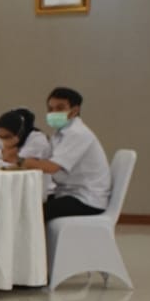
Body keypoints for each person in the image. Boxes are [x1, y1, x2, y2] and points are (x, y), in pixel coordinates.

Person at [17, 88, 112, 222]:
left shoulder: (77, 133)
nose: (54, 113)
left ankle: (35, 244)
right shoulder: (60, 133)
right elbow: (43, 161)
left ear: (75, 110)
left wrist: (19, 161)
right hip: (67, 193)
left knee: (30, 214)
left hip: (86, 199)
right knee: (25, 204)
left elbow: (52, 167)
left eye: (60, 108)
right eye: (50, 109)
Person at [0, 108, 54, 194]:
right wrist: (3, 154)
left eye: (7, 137)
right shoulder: (3, 138)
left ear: (20, 133)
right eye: (0, 136)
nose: (3, 140)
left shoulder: (37, 139)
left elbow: (19, 164)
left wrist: (5, 156)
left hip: (36, 191)